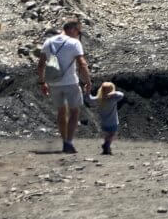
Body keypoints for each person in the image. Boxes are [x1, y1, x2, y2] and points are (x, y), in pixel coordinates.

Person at [37, 19, 91, 154]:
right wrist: (88, 81)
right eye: (78, 31)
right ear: (72, 29)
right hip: (71, 83)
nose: (78, 34)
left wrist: (42, 82)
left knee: (61, 111)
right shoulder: (74, 43)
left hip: (54, 83)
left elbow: (41, 65)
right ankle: (68, 142)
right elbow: (82, 64)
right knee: (74, 112)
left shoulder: (48, 42)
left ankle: (64, 140)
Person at [85, 81, 125, 155]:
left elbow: (89, 99)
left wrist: (87, 91)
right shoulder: (113, 99)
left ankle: (107, 148)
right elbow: (121, 95)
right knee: (112, 135)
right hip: (113, 122)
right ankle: (106, 145)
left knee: (107, 135)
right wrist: (113, 93)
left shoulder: (99, 99)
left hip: (103, 122)